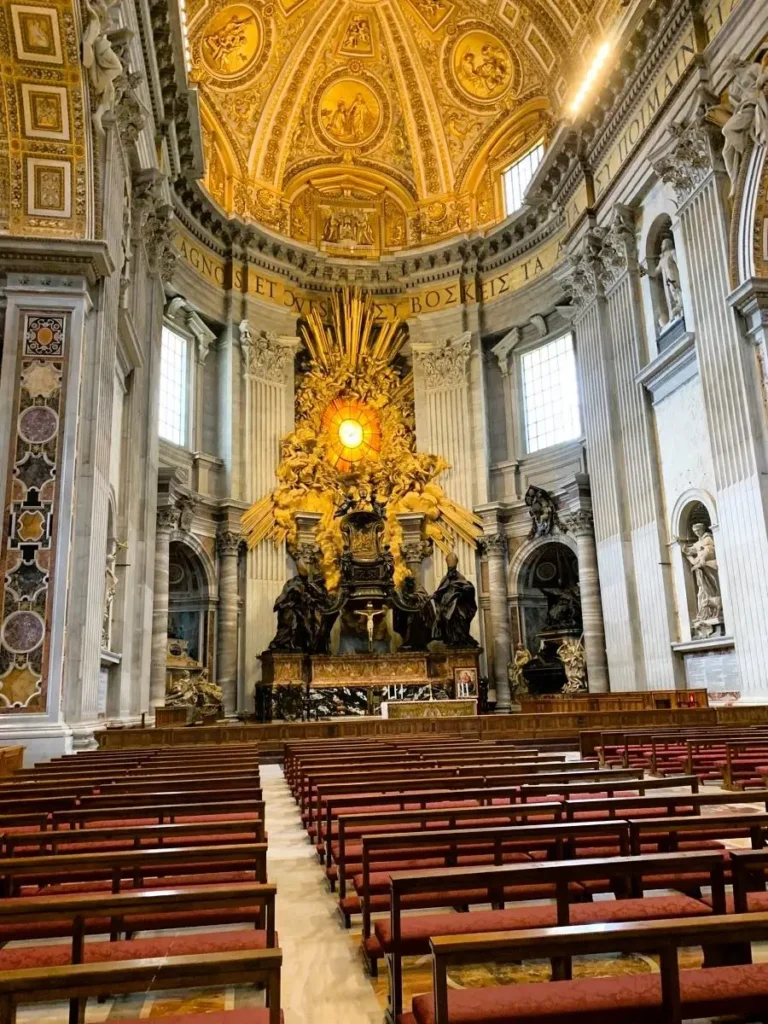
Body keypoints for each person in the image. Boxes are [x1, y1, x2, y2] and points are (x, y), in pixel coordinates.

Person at [433, 552, 479, 647]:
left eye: (452, 568)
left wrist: (461, 593)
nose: (451, 571)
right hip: (447, 607)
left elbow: (468, 590)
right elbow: (440, 592)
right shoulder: (445, 579)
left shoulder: (461, 577)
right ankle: (452, 639)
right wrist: (437, 595)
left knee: (461, 618)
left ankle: (462, 638)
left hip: (459, 605)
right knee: (449, 621)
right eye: (450, 569)